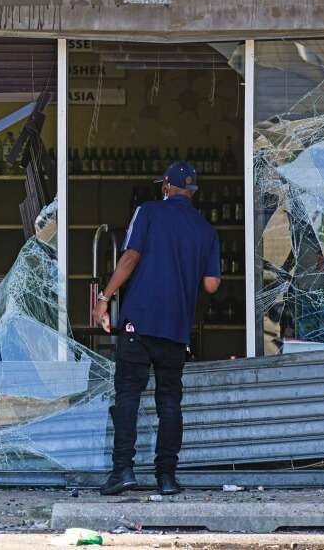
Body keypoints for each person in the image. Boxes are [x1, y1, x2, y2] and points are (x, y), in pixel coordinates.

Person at [92, 161, 221, 496]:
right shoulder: (207, 231)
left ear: (166, 186)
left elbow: (130, 257)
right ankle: (166, 476)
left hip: (140, 321)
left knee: (128, 397)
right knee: (169, 402)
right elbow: (210, 285)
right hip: (176, 327)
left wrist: (104, 296)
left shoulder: (147, 212)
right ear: (193, 192)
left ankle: (123, 471)